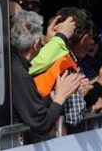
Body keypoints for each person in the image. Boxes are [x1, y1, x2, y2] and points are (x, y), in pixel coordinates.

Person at [9, 10, 84, 142]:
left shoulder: (15, 65)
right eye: (42, 39)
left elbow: (31, 108)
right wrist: (60, 97)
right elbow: (41, 123)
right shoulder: (19, 72)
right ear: (36, 43)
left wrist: (53, 96)